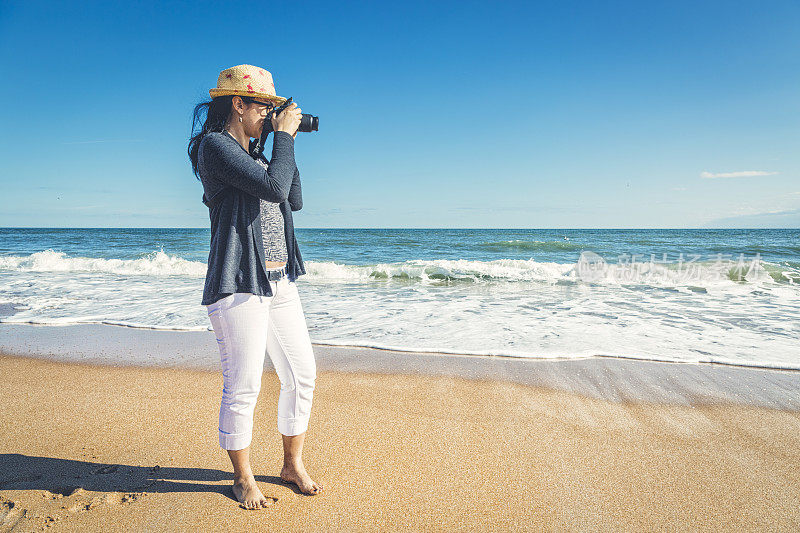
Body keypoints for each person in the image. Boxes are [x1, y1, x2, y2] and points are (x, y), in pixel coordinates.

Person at [188, 64, 323, 509]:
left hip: (279, 279)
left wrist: (287, 141)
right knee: (244, 384)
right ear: (238, 104)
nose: (269, 113)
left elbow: (292, 197)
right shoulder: (214, 147)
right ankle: (243, 477)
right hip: (240, 281)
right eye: (263, 106)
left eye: (273, 107)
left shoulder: (261, 155)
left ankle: (290, 463)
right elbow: (272, 187)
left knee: (302, 374)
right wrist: (281, 139)